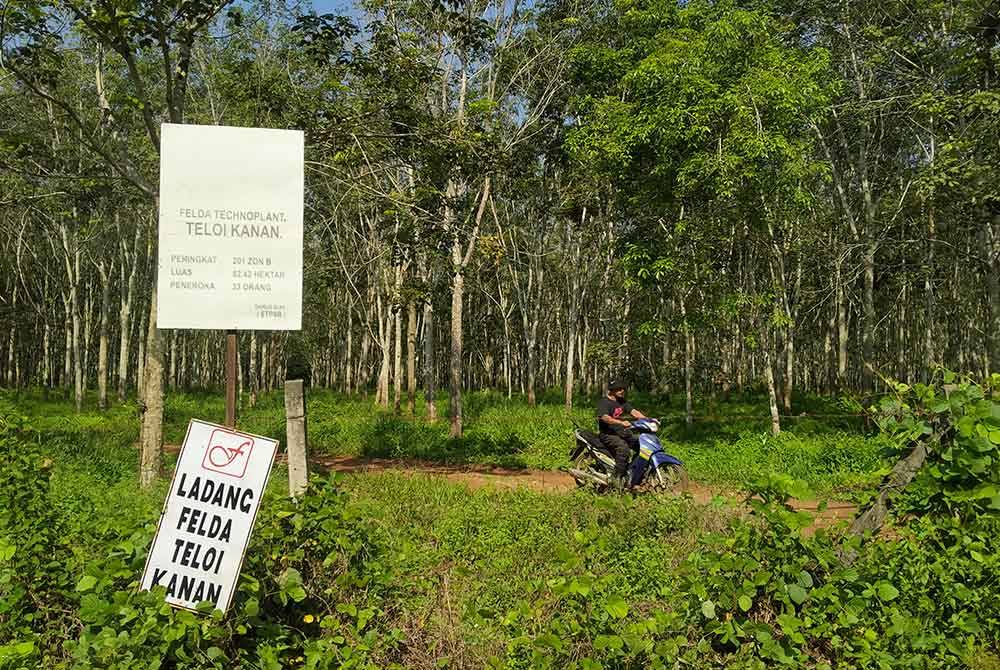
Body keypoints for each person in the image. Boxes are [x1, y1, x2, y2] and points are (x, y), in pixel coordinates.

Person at [596, 379, 648, 488]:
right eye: (619, 389)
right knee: (624, 449)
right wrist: (620, 422)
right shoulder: (604, 402)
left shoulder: (622, 401)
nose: (622, 391)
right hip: (608, 434)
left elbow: (633, 411)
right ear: (612, 390)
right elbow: (604, 417)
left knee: (642, 446)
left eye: (623, 388)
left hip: (622, 432)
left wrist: (647, 420)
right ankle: (617, 478)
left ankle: (633, 472)